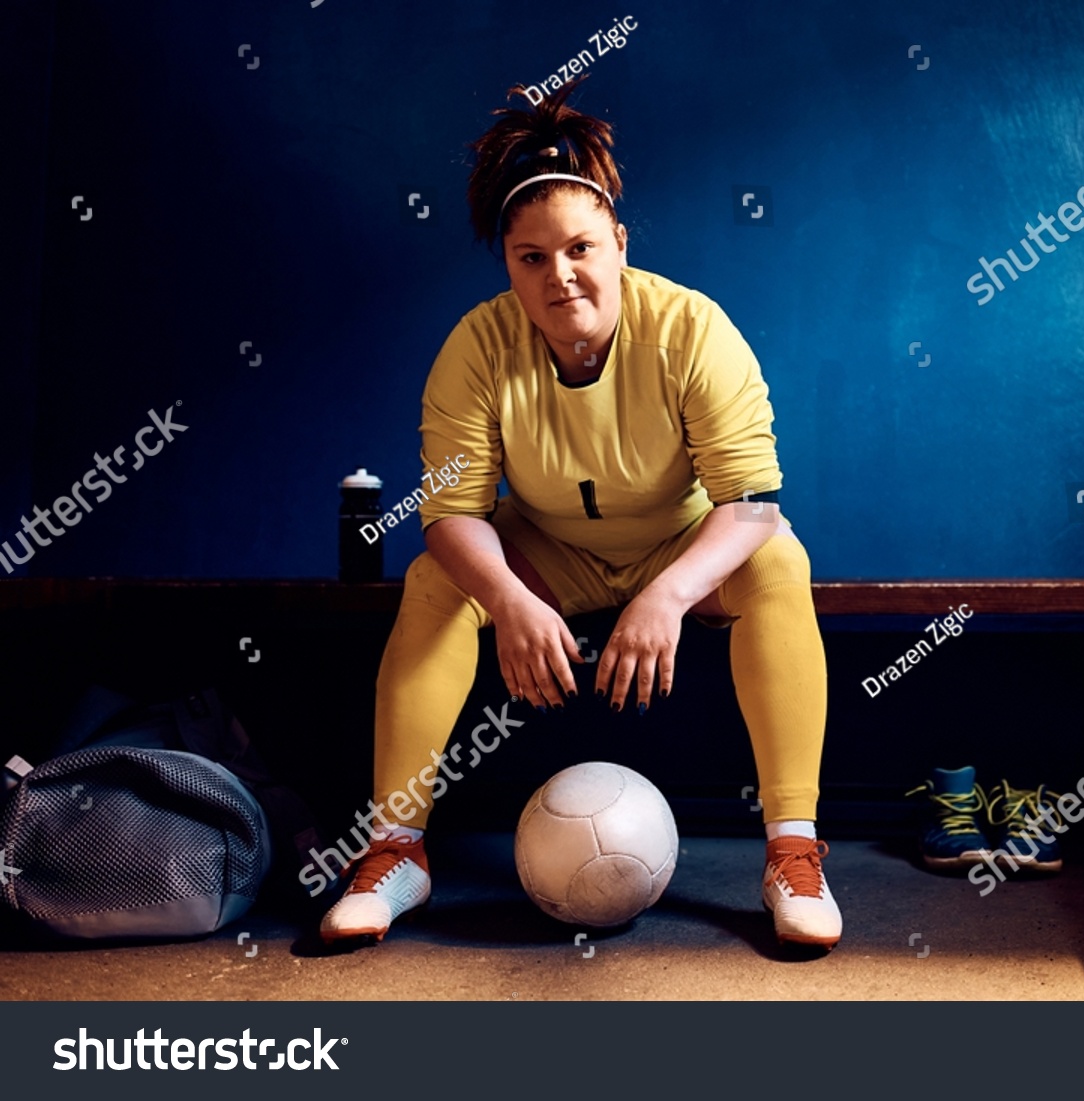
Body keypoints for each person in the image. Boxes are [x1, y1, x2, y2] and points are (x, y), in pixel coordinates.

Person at [318, 76, 841, 951]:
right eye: (531, 257)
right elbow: (450, 514)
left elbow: (752, 506)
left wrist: (667, 597)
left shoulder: (691, 330)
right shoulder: (478, 346)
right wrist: (515, 603)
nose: (560, 276)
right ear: (510, 268)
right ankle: (395, 851)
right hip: (547, 552)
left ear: (619, 245)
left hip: (680, 547)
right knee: (433, 579)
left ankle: (792, 851)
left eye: (580, 249)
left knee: (781, 561)